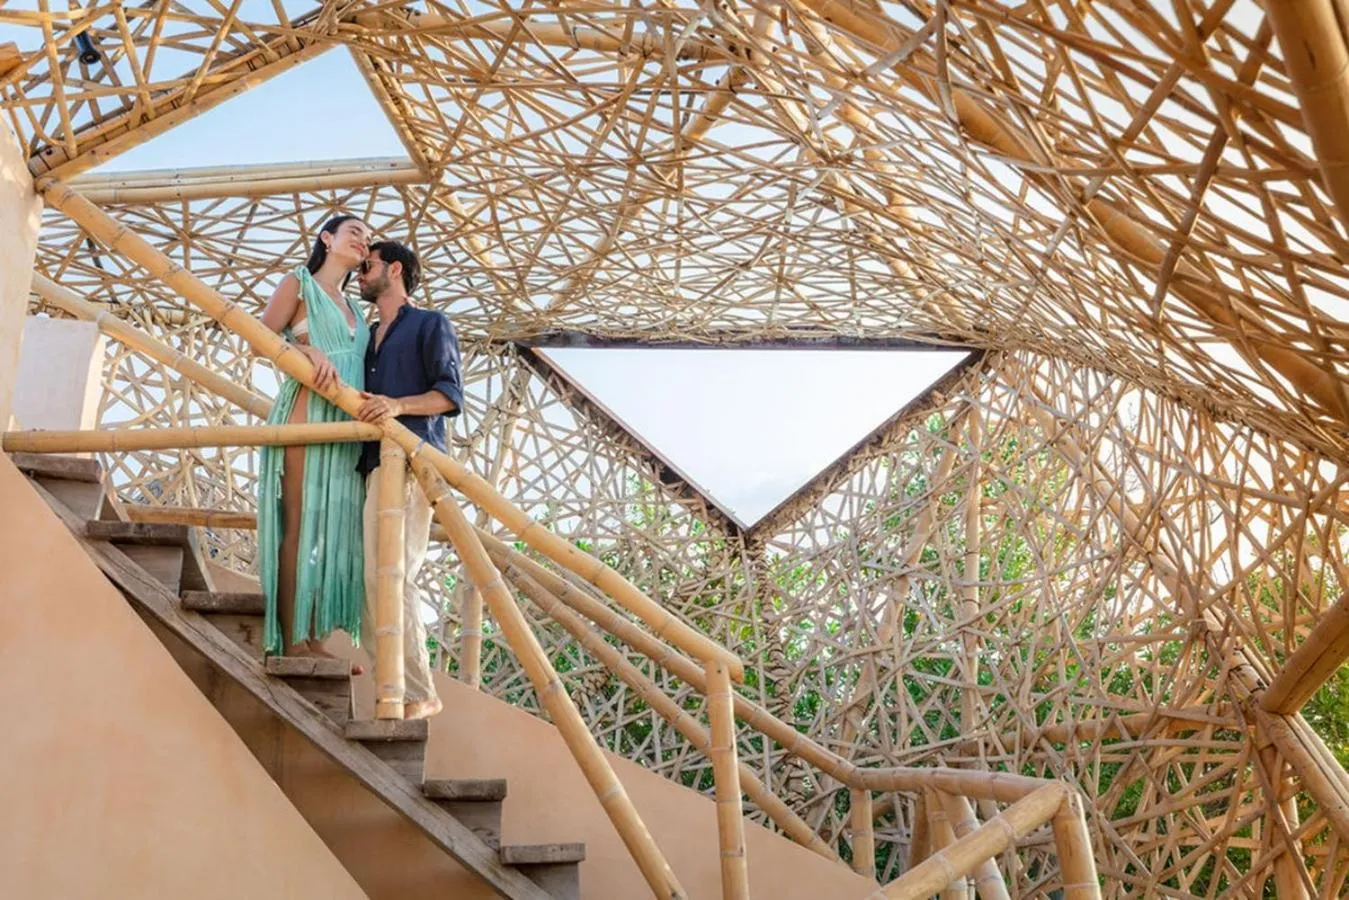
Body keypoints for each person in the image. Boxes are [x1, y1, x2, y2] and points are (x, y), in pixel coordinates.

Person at [353, 240, 463, 720]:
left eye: (367, 266)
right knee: (368, 576)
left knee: (395, 572)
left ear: (393, 270)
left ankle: (419, 691)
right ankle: (394, 681)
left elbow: (448, 395)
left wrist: (398, 406)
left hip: (412, 459)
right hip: (372, 462)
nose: (360, 274)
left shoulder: (430, 324)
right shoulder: (369, 334)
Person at [257, 214, 372, 665]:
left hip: (348, 427)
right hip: (306, 410)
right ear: (327, 238)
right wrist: (305, 349)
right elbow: (260, 339)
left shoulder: (355, 307)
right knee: (299, 528)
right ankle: (289, 639)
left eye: (368, 237)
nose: (363, 241)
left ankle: (316, 638)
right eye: (354, 232)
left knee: (332, 531)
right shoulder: (298, 283)